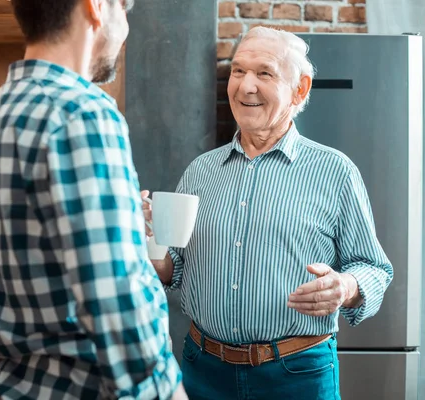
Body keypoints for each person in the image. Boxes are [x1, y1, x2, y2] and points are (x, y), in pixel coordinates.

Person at [143, 26, 393, 400]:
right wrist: (148, 242)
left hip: (297, 374)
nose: (245, 86)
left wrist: (346, 287)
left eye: (264, 73)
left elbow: (375, 269)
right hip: (202, 368)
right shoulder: (201, 171)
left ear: (300, 89)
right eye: (238, 71)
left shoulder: (335, 171)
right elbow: (176, 267)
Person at [0, 0, 186, 398]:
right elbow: (117, 301)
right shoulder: (84, 112)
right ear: (97, 6)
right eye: (125, 9)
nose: (126, 28)